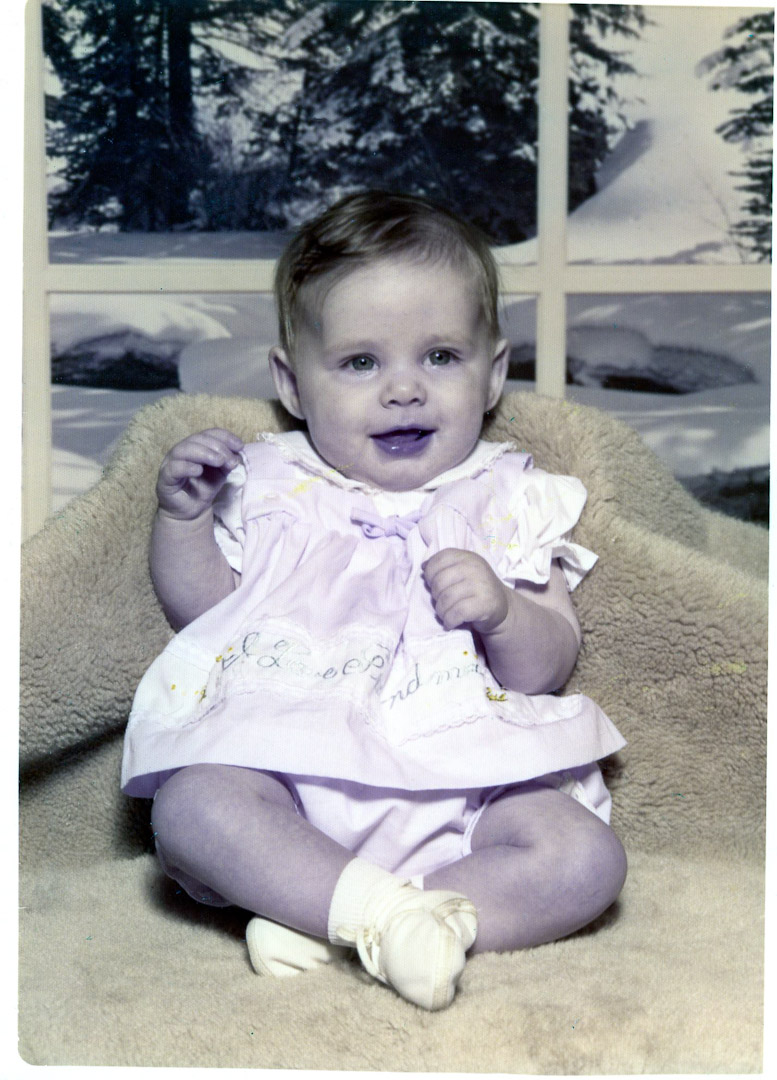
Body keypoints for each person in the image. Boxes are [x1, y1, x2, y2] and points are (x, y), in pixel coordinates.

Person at [122, 191, 627, 1011]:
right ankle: (379, 917)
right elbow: (206, 616)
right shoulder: (271, 485)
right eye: (360, 363)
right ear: (292, 383)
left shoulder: (508, 496)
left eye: (440, 357)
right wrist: (182, 520)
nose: (403, 390)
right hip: (292, 779)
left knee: (585, 860)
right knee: (193, 806)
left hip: (473, 792)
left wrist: (503, 612)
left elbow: (545, 666)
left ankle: (339, 914)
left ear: (493, 372)